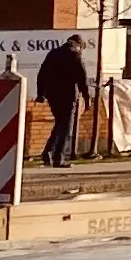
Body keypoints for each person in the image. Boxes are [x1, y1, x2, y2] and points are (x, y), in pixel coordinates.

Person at [35, 35, 93, 165]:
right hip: (68, 96)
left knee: (60, 124)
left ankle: (47, 153)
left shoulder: (53, 54)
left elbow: (42, 74)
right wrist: (87, 99)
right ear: (79, 45)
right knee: (66, 128)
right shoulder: (75, 56)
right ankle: (58, 158)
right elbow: (83, 80)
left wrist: (41, 94)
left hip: (52, 95)